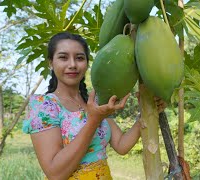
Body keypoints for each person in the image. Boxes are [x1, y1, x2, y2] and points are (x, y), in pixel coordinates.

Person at [22, 32, 166, 180]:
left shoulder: (95, 101)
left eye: (79, 58)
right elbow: (55, 174)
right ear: (51, 63)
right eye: (63, 57)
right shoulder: (44, 107)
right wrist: (94, 120)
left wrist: (146, 113)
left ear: (87, 63)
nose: (72, 64)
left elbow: (121, 145)